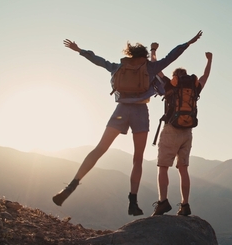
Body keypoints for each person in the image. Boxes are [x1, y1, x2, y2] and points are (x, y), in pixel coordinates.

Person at [52, 31, 203, 217]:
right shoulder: (150, 68)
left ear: (130, 54)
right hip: (140, 112)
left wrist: (80, 50)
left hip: (121, 111)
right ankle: (133, 202)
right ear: (144, 56)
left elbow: (99, 61)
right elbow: (173, 56)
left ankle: (71, 185)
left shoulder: (119, 67)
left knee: (100, 149)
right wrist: (189, 42)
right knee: (137, 158)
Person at [149, 43, 213, 216]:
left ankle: (163, 202)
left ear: (175, 77)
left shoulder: (170, 85)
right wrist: (209, 60)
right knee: (183, 169)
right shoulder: (194, 88)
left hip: (171, 130)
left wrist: (153, 51)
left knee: (163, 167)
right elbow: (205, 76)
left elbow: (155, 68)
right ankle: (185, 205)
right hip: (187, 132)